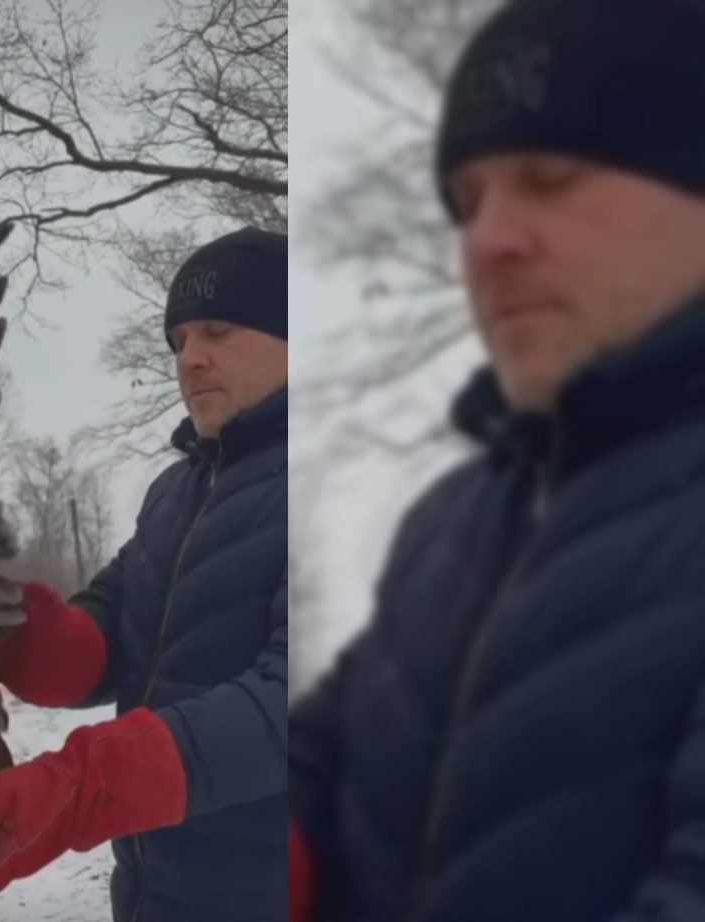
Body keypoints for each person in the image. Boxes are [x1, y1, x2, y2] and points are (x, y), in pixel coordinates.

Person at [289, 1, 705, 920]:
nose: (486, 243)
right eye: (466, 202)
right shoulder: (452, 521)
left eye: (550, 176)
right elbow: (319, 767)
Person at [0, 227, 290, 921]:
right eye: (178, 340)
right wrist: (2, 625)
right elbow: (109, 633)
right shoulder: (177, 492)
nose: (190, 359)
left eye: (218, 331)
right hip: (156, 892)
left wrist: (82, 787)